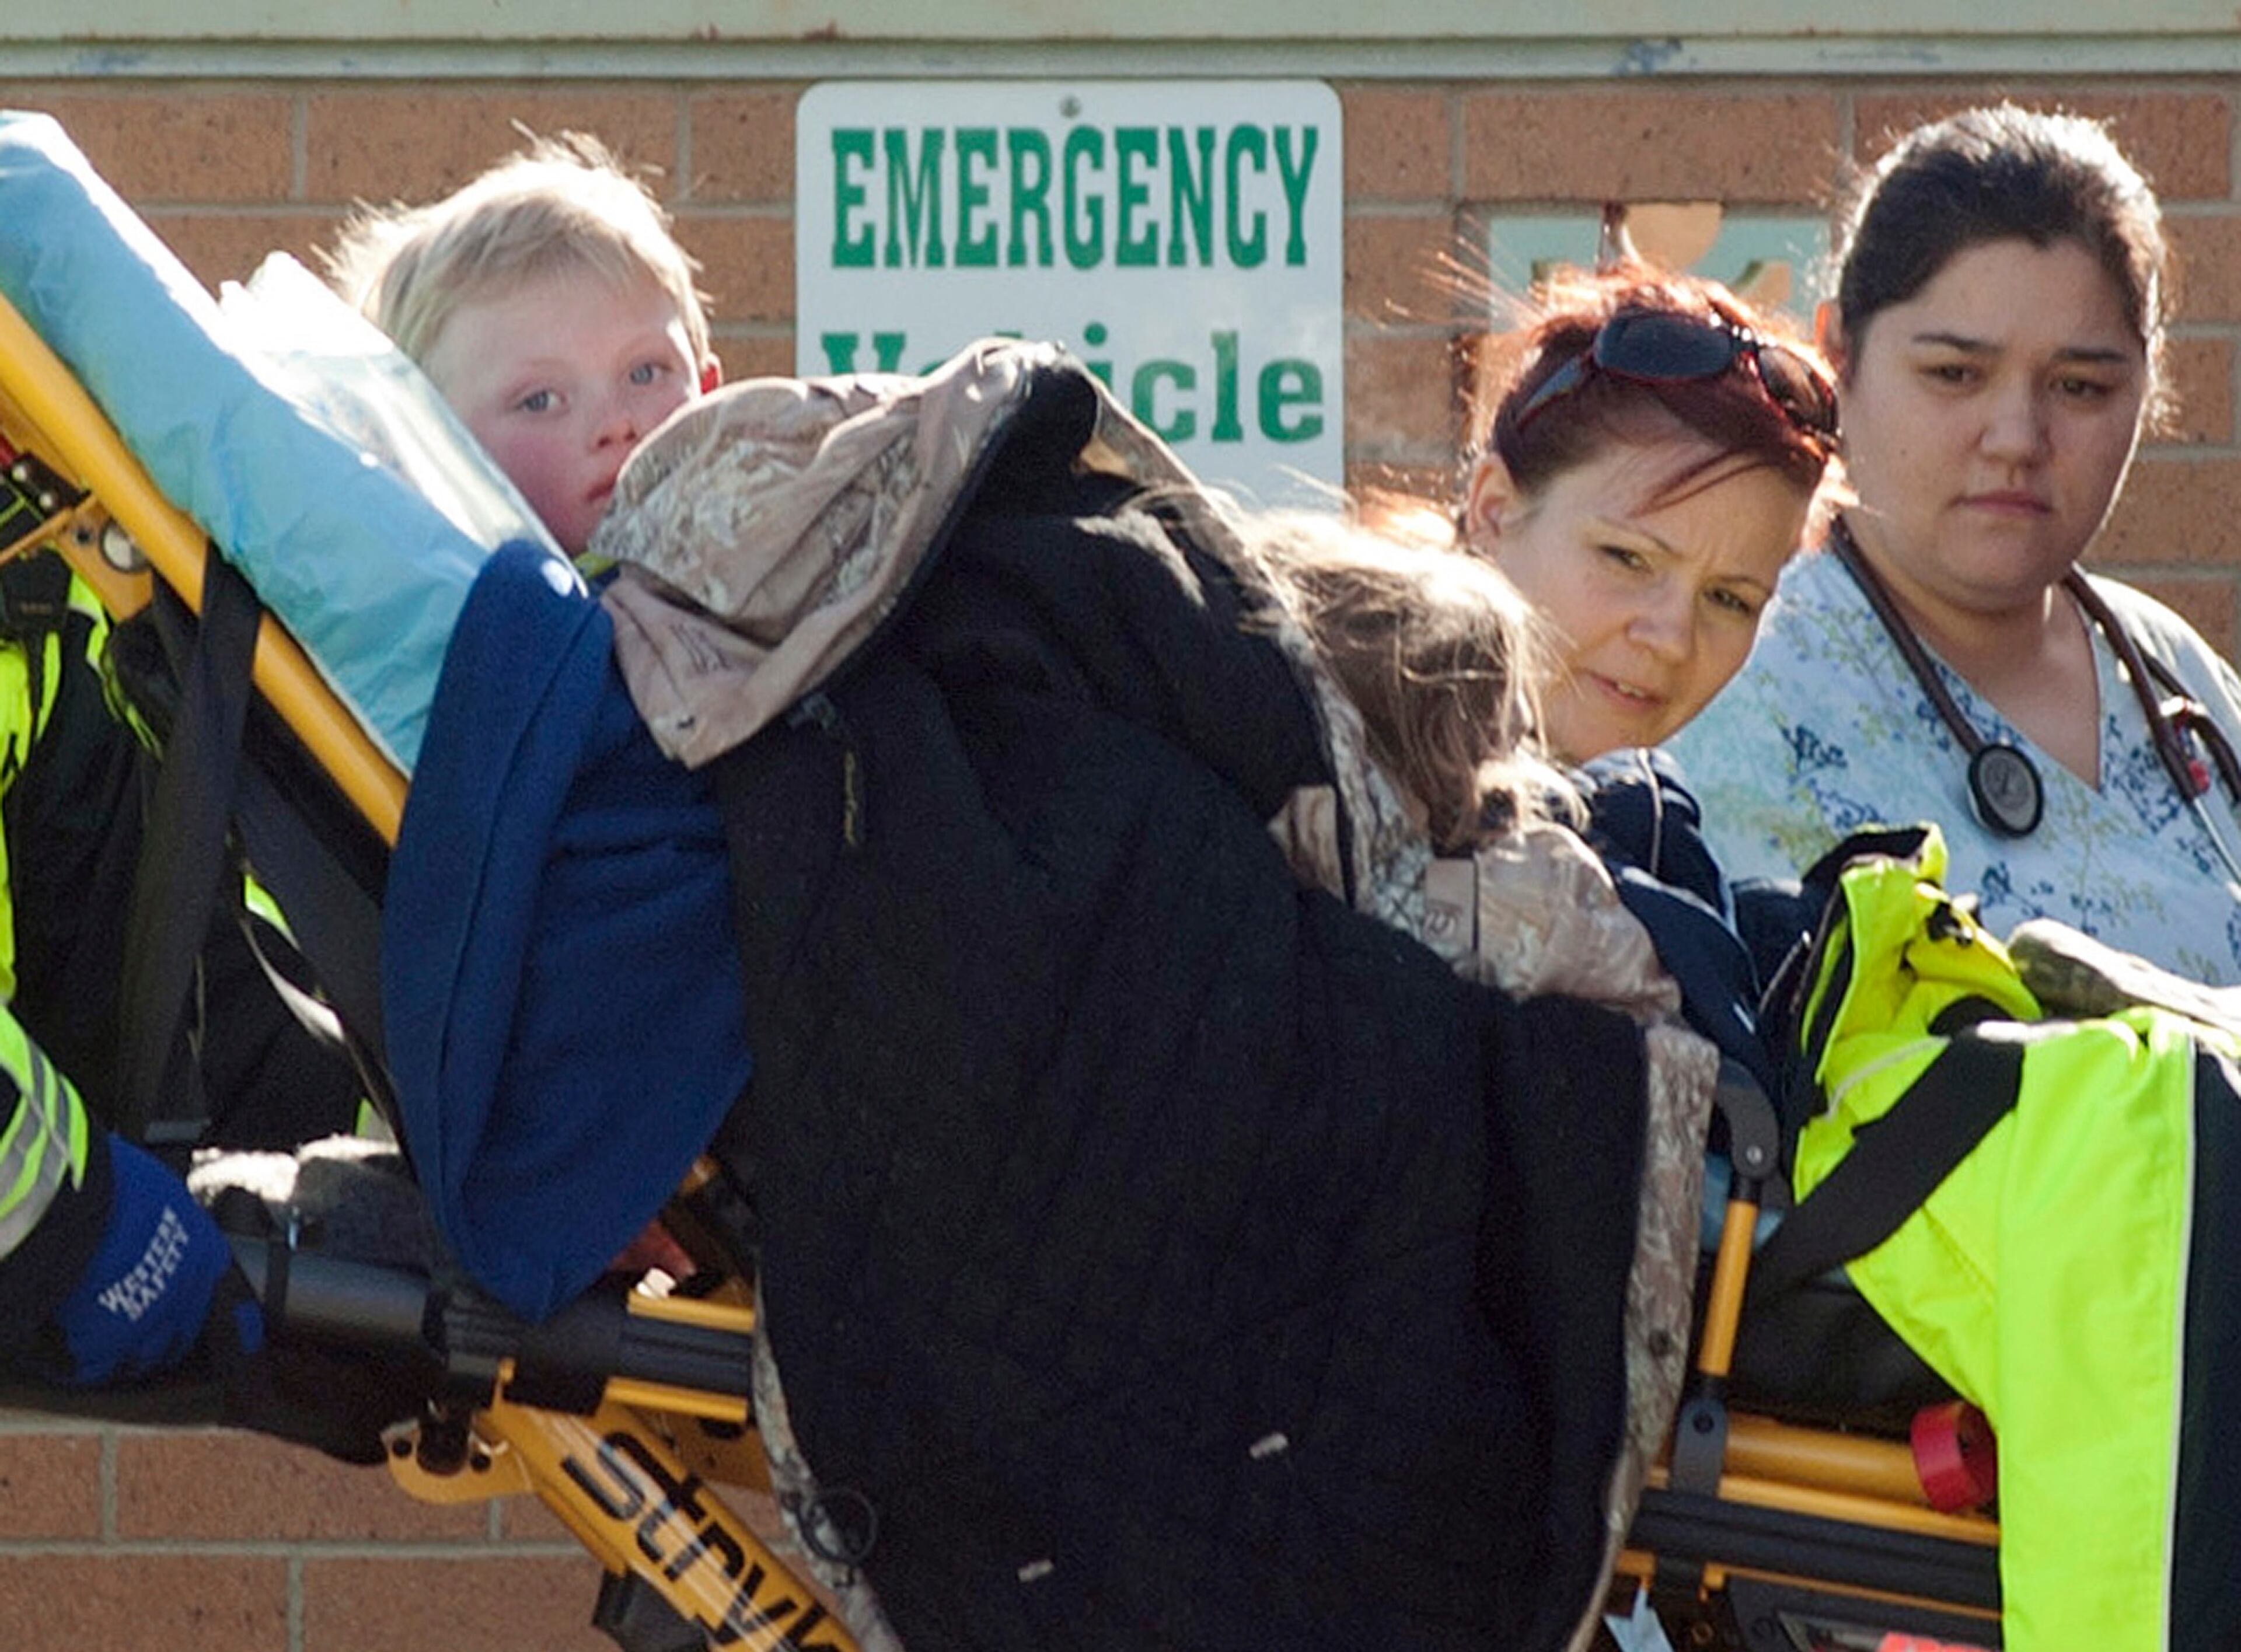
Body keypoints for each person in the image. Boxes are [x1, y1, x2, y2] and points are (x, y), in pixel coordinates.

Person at [1666, 104, 2241, 985]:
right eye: (1955, 375)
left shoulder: (2180, 681)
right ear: (1839, 356)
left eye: (2080, 386)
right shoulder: (1727, 683)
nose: (2017, 435)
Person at [1453, 263, 1839, 765]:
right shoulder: (1330, 784)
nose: (1673, 639)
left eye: (1729, 599)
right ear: (1493, 511)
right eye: (1628, 559)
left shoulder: (1720, 820)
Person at [324, 131, 721, 561]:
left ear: (714, 393)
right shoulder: (448, 616)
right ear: (430, 453)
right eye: (541, 400)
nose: (617, 424)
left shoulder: (785, 553)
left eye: (644, 372)